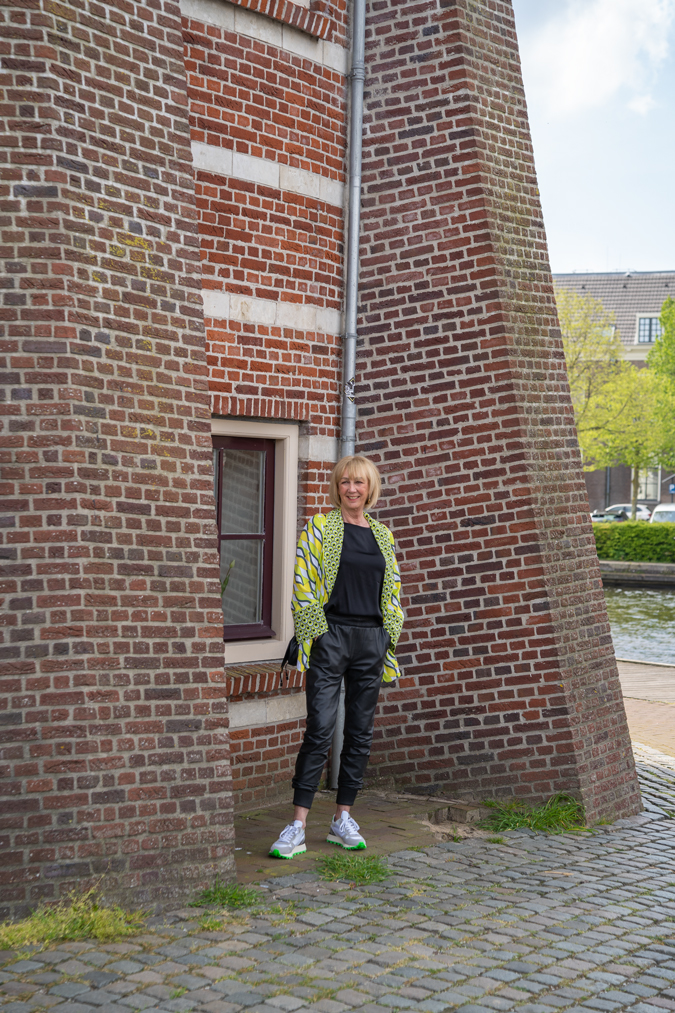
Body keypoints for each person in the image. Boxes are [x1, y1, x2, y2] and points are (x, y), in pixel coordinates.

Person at [269, 455, 404, 859]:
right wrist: (320, 635)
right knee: (321, 729)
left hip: (371, 642)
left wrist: (386, 635)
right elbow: (304, 585)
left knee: (360, 733)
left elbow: (393, 590)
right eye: (345, 482)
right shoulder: (321, 527)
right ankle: (296, 826)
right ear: (337, 487)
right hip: (331, 639)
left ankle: (342, 818)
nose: (352, 489)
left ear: (370, 488)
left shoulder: (383, 535)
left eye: (360, 483)